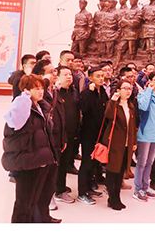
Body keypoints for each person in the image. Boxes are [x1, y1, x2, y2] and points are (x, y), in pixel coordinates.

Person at [2, 74, 57, 223]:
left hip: (39, 161)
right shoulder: (22, 105)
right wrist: (24, 99)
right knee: (24, 203)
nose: (40, 91)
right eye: (36, 88)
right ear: (26, 90)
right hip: (27, 162)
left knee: (33, 200)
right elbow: (16, 123)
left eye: (41, 88)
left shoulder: (39, 106)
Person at [34, 67, 68, 222]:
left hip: (56, 140)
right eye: (50, 72)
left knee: (52, 174)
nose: (54, 74)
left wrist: (63, 138)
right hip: (44, 143)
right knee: (43, 178)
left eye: (55, 72)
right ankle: (40, 213)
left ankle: (45, 215)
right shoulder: (34, 101)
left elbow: (61, 117)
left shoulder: (55, 92)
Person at [133, 71, 155, 201]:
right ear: (150, 81)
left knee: (150, 162)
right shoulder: (143, 94)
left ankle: (145, 187)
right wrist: (149, 90)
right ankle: (137, 189)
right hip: (145, 133)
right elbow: (143, 107)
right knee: (142, 162)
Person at [102, 80, 137, 210]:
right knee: (112, 171)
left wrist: (134, 142)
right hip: (115, 144)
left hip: (127, 144)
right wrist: (113, 100)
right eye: (125, 88)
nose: (128, 91)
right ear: (118, 90)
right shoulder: (114, 105)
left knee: (120, 172)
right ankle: (112, 198)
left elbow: (133, 126)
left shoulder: (131, 106)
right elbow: (108, 115)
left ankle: (116, 197)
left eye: (130, 88)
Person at [77, 67, 109, 205]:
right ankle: (82, 193)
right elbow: (83, 108)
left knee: (95, 163)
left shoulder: (103, 91)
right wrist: (90, 92)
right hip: (88, 134)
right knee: (87, 162)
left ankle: (89, 187)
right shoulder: (86, 93)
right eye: (98, 76)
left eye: (102, 76)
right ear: (90, 78)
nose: (101, 78)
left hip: (99, 133)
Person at [53, 60, 81, 204]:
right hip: (58, 135)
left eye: (70, 74)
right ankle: (58, 191)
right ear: (57, 77)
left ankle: (60, 186)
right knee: (58, 163)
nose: (69, 77)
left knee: (64, 163)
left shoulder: (73, 91)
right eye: (65, 74)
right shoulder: (55, 93)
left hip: (71, 134)